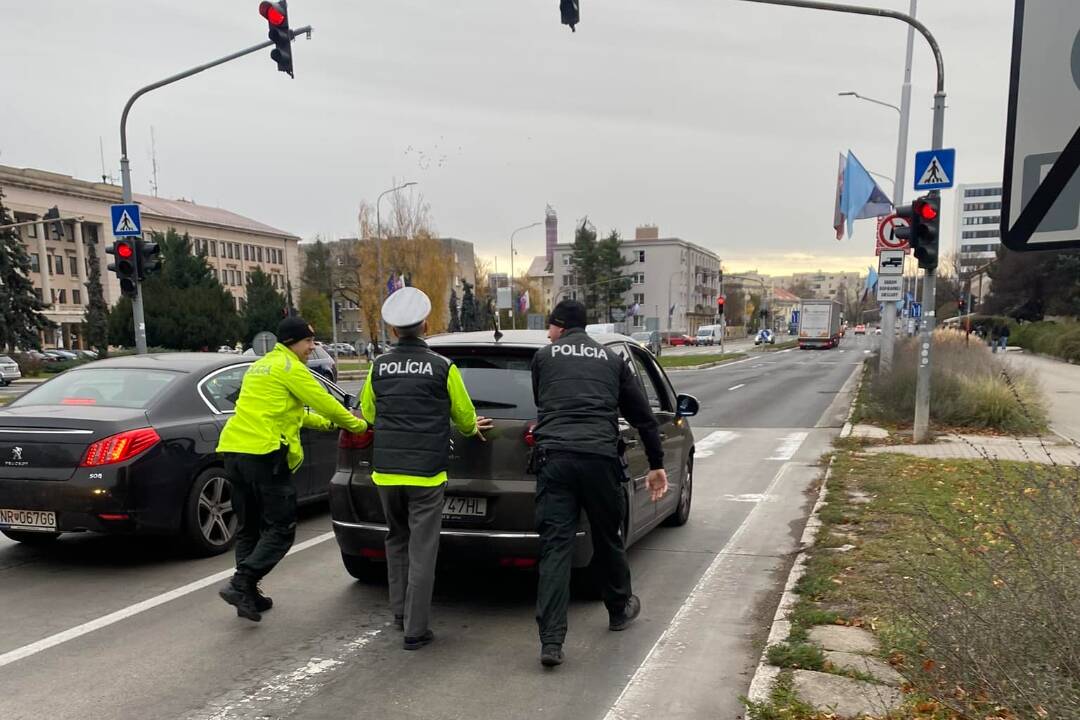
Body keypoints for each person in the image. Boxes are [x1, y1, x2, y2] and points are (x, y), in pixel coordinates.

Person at [530, 299, 668, 668]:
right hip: (600, 460)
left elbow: (543, 403)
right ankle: (619, 608)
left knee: (555, 548)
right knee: (608, 537)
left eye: (550, 327)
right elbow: (644, 417)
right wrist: (656, 463)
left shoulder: (543, 358)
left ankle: (551, 642)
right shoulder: (612, 360)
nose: (547, 334)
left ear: (560, 326)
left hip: (554, 460)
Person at [360, 287, 494, 650]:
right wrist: (470, 430)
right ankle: (416, 630)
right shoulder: (442, 367)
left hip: (386, 473)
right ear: (425, 325)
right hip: (426, 475)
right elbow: (464, 416)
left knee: (396, 539)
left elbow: (369, 414)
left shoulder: (378, 367)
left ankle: (400, 612)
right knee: (423, 548)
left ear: (393, 331)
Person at [216, 316, 369, 622]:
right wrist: (357, 423)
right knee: (281, 529)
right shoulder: (291, 368)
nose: (312, 348)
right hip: (264, 455)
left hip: (234, 451)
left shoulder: (260, 367)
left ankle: (248, 594)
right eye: (308, 342)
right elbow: (324, 401)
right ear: (291, 342)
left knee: (249, 528)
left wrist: (325, 424)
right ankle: (241, 582)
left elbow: (289, 412)